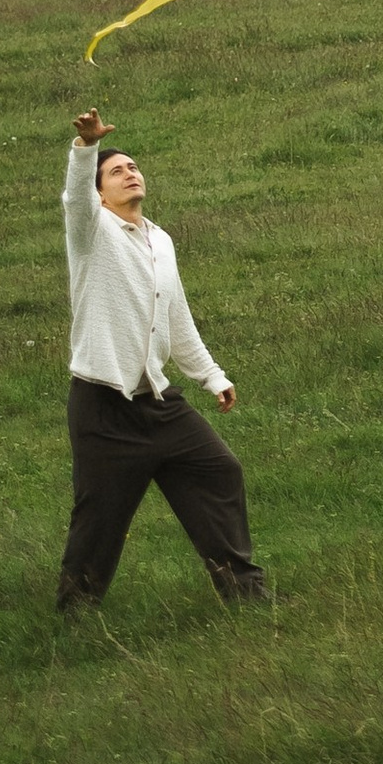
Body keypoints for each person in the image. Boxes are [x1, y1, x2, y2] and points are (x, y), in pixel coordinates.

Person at [56, 104, 270, 611]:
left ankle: (244, 593)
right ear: (100, 193)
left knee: (219, 471)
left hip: (158, 402)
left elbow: (175, 320)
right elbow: (74, 202)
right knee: (99, 518)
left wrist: (211, 376)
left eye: (132, 166)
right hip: (102, 406)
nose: (129, 173)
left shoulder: (161, 240)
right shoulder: (91, 235)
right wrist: (86, 150)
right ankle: (76, 614)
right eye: (116, 171)